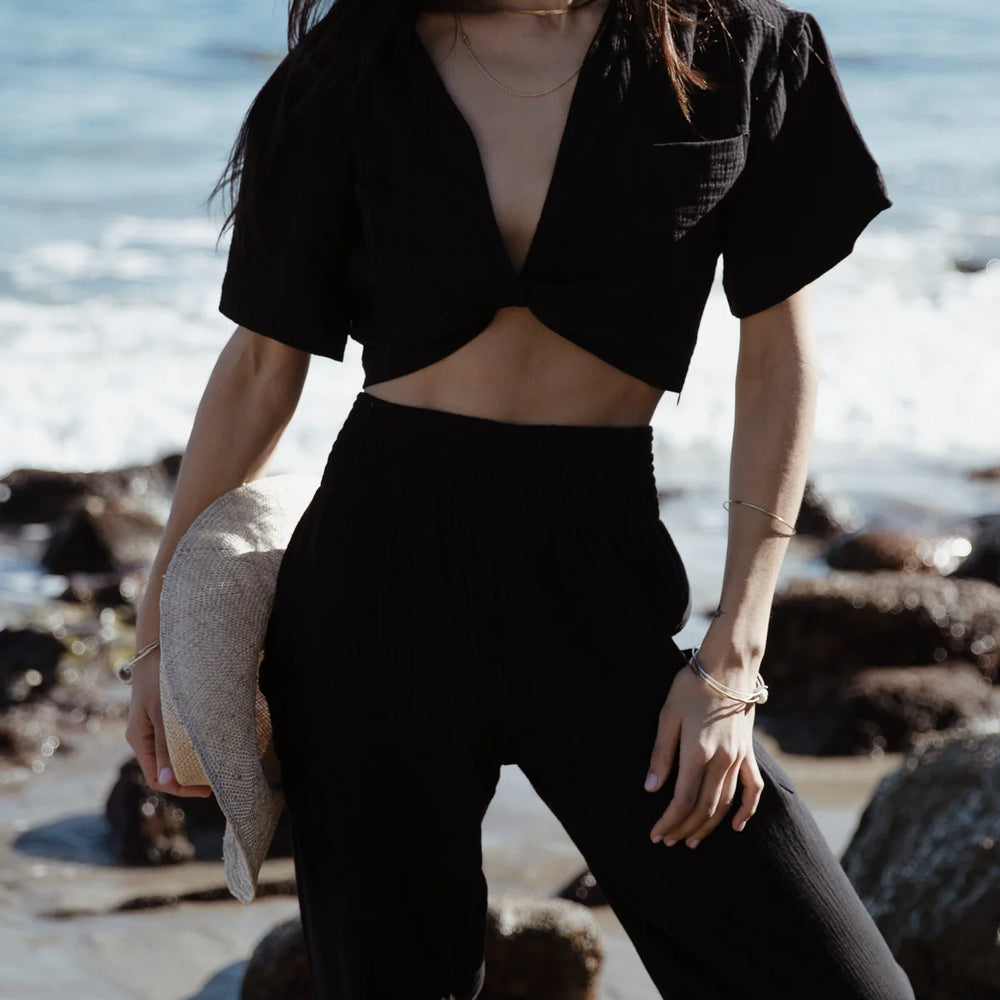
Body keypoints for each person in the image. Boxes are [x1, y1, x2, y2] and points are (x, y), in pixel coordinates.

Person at [126, 0, 916, 997]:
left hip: (598, 575)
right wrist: (155, 631)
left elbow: (776, 358)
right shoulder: (353, 64)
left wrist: (734, 654)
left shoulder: (735, 47)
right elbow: (256, 369)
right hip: (372, 587)